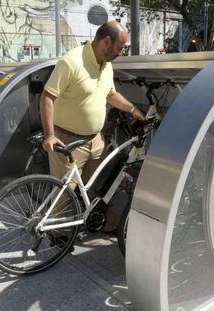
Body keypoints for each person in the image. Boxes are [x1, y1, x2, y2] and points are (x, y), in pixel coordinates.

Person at [39, 21, 144, 230]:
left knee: (95, 184)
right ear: (106, 41)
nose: (121, 53)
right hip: (68, 138)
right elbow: (47, 97)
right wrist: (49, 135)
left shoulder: (107, 65)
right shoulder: (72, 61)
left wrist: (133, 110)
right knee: (64, 190)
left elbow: (110, 94)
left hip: (95, 140)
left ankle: (103, 222)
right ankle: (56, 232)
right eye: (120, 47)